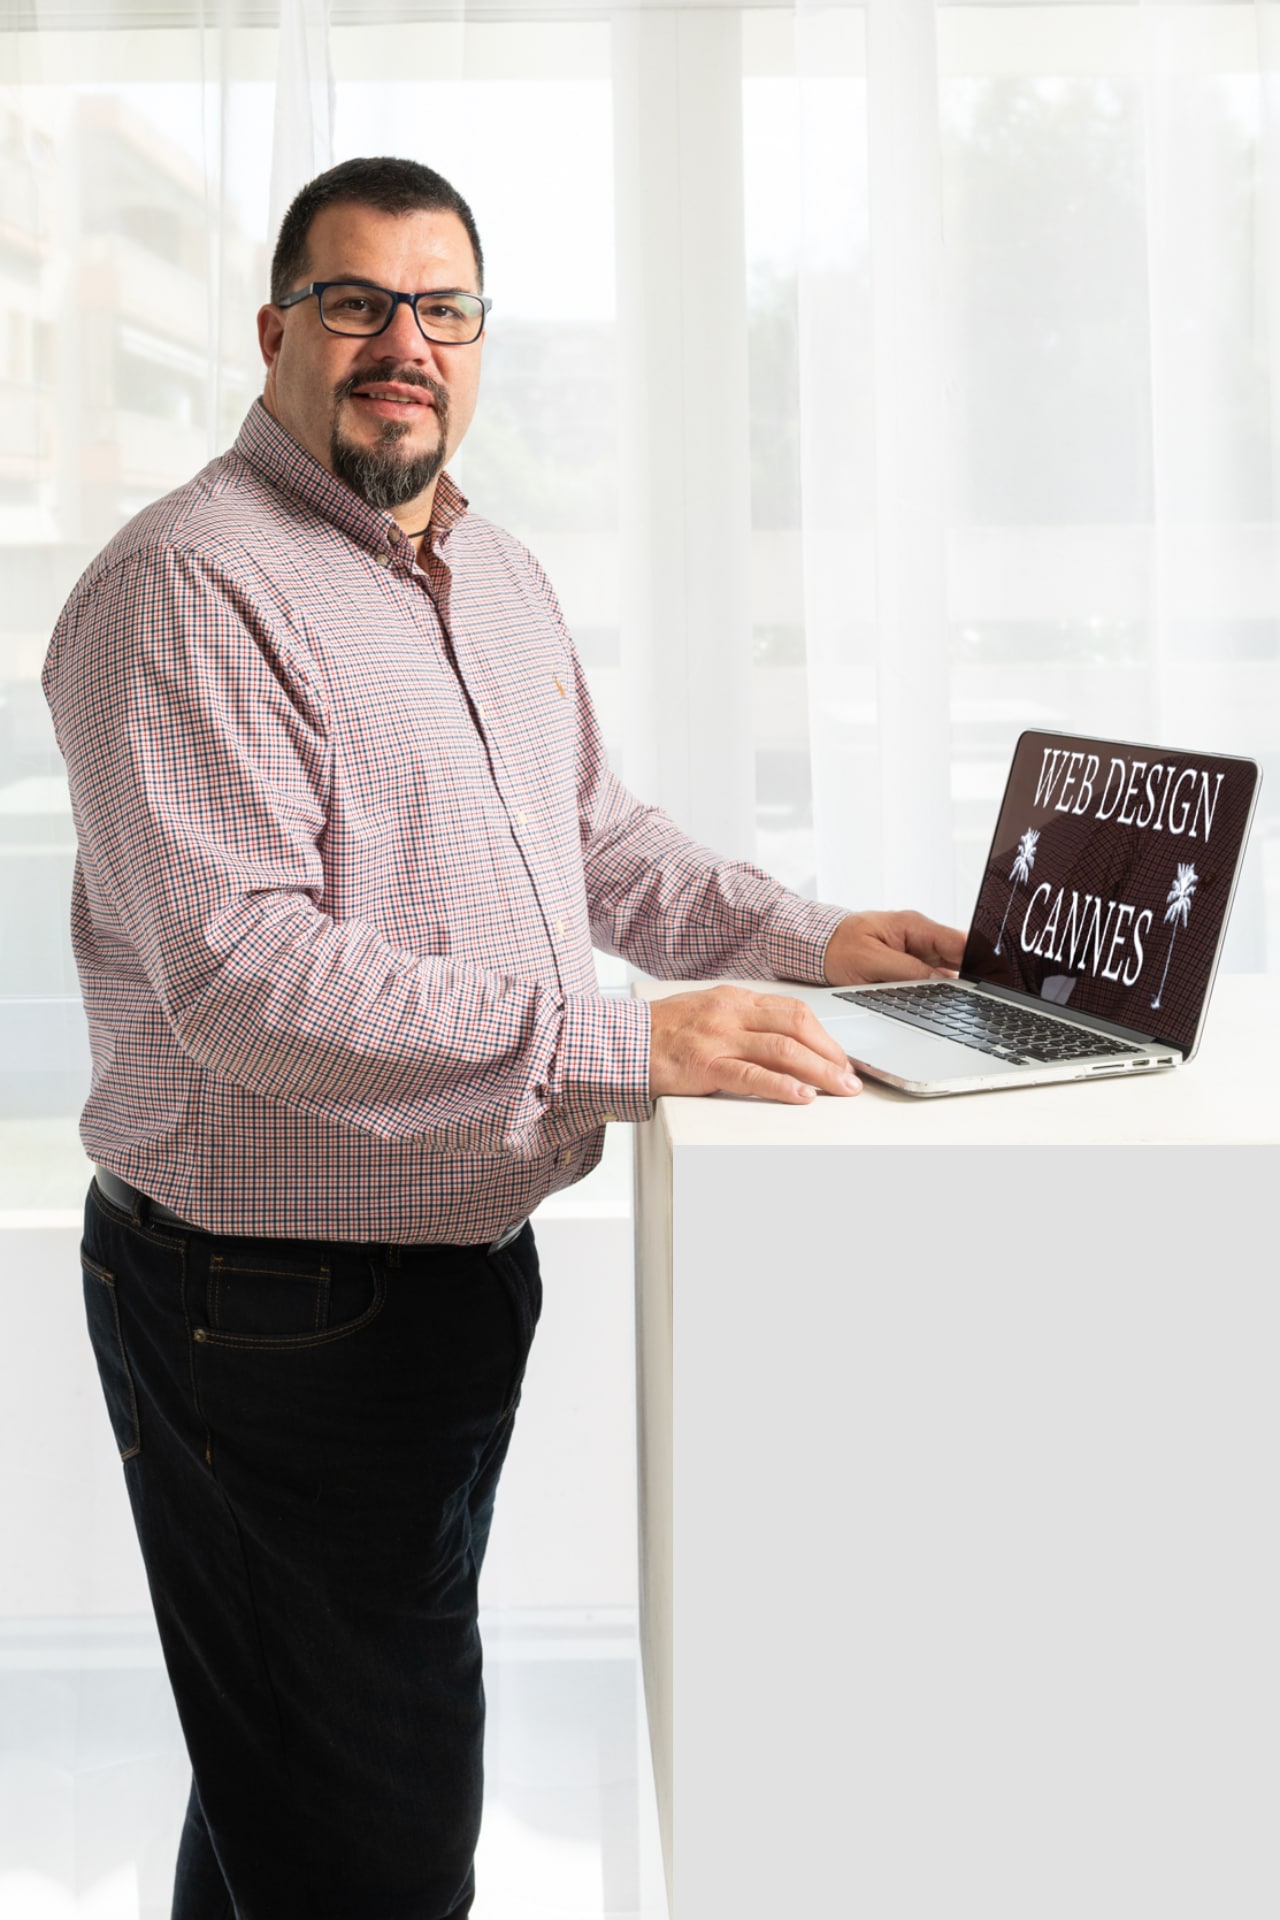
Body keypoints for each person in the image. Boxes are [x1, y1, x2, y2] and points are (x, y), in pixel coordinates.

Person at [43, 155, 964, 1919]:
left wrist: (813, 939)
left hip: (444, 1284)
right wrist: (629, 1045)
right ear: (275, 332)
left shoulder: (493, 572)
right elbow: (244, 977)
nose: (406, 342)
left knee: (292, 1792)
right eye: (358, 303)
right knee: (371, 1851)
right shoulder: (187, 586)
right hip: (269, 1311)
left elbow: (595, 841)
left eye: (443, 307)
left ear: (478, 340)